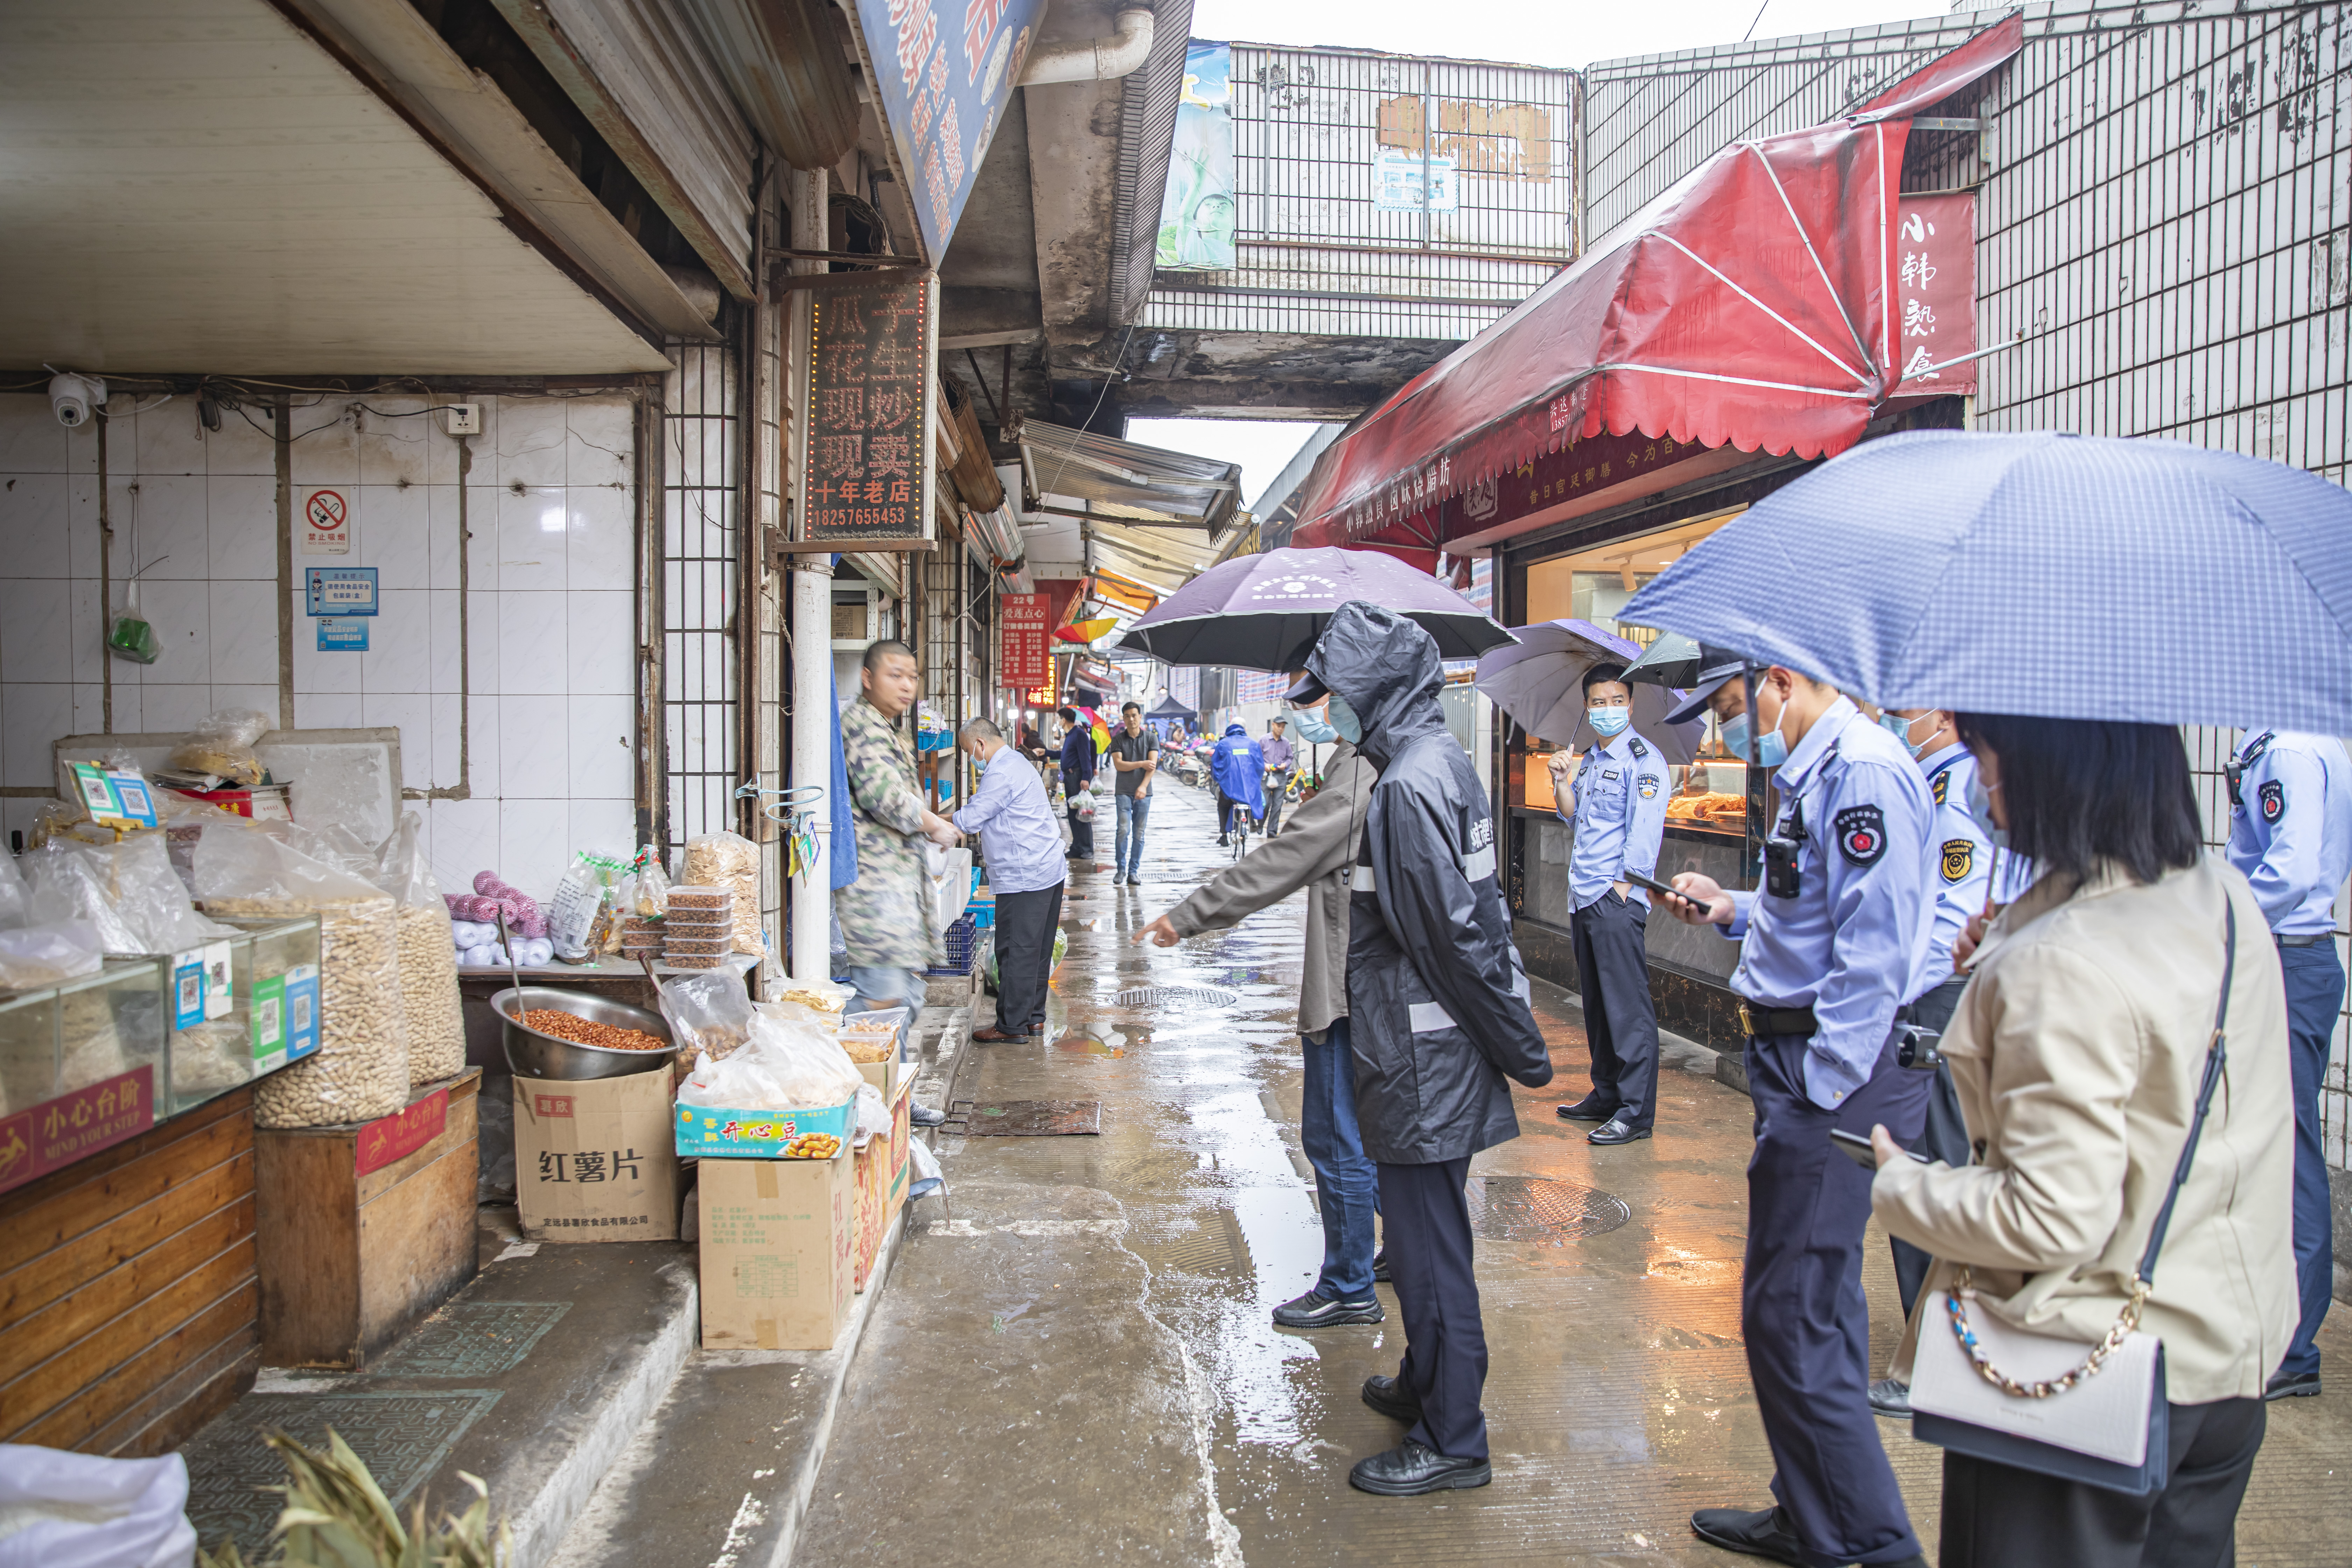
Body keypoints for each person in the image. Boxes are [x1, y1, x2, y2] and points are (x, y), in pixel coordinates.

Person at [1869, 714, 2296, 1567]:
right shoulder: (2222, 896)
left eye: (1988, 758)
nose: (1981, 781)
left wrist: (1901, 1188)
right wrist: (2010, 942)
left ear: (2047, 769)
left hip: (2080, 1378)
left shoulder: (2062, 961)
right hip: (2221, 1360)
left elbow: (2050, 1216)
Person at [1659, 658, 1937, 1568]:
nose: (1736, 728)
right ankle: (1807, 1512)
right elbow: (1807, 910)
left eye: (1740, 707)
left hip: (1832, 1074)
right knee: (1818, 1309)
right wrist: (1732, 908)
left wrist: (1818, 1089)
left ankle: (1871, 1544)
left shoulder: (1862, 772)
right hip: (1797, 1060)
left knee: (1789, 1317)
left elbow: (1875, 955)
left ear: (1782, 680)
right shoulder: (1816, 767)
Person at [1301, 602, 1553, 1498]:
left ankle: (1455, 1435)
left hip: (1418, 1060)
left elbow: (1455, 942)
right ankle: (1423, 1381)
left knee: (1430, 1253)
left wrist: (1521, 1046)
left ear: (1370, 693)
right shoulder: (1435, 761)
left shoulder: (1405, 789)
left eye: (1333, 696)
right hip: (1424, 1055)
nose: (1325, 711)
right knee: (1421, 1239)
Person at [1139, 684, 1382, 1328]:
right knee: (1362, 1135)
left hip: (1348, 986)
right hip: (1372, 981)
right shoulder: (1362, 769)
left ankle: (1352, 1282)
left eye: (1320, 699)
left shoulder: (1358, 778)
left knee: (1335, 1138)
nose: (1309, 714)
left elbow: (1279, 861)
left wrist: (1190, 917)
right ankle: (1382, 1255)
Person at [1862, 707, 2015, 1420]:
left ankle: (1939, 1358)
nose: (1896, 714)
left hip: (1939, 997)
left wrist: (1895, 996)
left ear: (1944, 717)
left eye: (1907, 703)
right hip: (1938, 993)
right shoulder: (1939, 781)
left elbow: (1951, 916)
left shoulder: (1958, 791)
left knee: (1935, 1169)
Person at [2224, 726, 2352, 1401]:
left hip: (2287, 956)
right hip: (2294, 957)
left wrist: (2220, 912)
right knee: (2271, 1148)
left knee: (2290, 1153)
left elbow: (2293, 868)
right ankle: (2276, 1329)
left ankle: (2293, 1346)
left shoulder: (2287, 750)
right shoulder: (2314, 742)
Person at [1546, 663, 1671, 1146]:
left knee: (1627, 1008)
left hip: (1614, 896)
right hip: (1583, 894)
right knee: (1597, 1004)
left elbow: (1644, 833)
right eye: (1598, 702)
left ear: (1632, 704)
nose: (1607, 710)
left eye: (1616, 700)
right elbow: (1577, 819)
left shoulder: (1644, 760)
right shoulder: (1592, 760)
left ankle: (1636, 1112)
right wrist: (1561, 779)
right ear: (1587, 706)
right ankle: (1606, 1092)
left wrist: (1622, 886)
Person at [836, 639, 958, 1052]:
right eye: (895, 675)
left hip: (897, 896)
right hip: (874, 898)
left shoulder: (891, 728)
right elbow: (884, 795)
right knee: (881, 1003)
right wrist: (933, 825)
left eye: (912, 676)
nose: (907, 685)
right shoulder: (862, 725)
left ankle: (896, 1094)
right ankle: (877, 1104)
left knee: (905, 998)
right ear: (867, 678)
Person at [953, 718, 1066, 1044]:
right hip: (1045, 868)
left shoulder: (1001, 772)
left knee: (1015, 949)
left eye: (968, 752)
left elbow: (973, 817)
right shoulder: (1017, 762)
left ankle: (1011, 1025)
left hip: (1026, 874)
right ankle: (1033, 1019)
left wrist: (933, 822)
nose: (971, 759)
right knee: (1037, 949)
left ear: (980, 744)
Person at [1107, 701, 1159, 886]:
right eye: (1127, 716)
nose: (1131, 719)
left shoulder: (1151, 738)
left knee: (1139, 834)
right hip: (1123, 791)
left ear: (1140, 716)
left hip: (1145, 793)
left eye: (1134, 715)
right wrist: (1140, 764)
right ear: (1124, 718)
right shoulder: (1118, 740)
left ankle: (1133, 871)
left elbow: (1152, 766)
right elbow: (1119, 765)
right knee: (1123, 831)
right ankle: (1121, 870)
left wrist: (1144, 787)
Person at [1209, 721, 1265, 846]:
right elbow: (1260, 766)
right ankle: (1252, 822)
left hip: (1230, 787)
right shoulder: (1253, 744)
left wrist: (1220, 779)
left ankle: (1224, 836)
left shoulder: (1223, 744)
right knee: (1253, 800)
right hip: (1249, 788)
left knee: (1223, 805)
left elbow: (1215, 765)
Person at [1057, 706, 1097, 862]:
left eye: (1058, 718)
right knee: (1073, 814)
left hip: (1077, 777)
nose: (1057, 721)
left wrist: (1086, 778)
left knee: (1082, 812)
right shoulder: (1070, 735)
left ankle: (1087, 848)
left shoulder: (1079, 734)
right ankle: (1077, 847)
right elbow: (1065, 756)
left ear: (1064, 720)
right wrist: (1046, 752)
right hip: (1069, 777)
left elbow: (1085, 757)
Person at [1260, 716, 1295, 837]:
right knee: (1265, 804)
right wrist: (1266, 766)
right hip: (1266, 776)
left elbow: (1290, 757)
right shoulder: (1264, 740)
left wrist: (1285, 765)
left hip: (1281, 776)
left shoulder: (1286, 742)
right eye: (1279, 726)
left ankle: (1272, 832)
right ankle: (1260, 825)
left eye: (1283, 727)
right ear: (1273, 725)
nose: (1281, 729)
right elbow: (1257, 757)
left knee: (1278, 806)